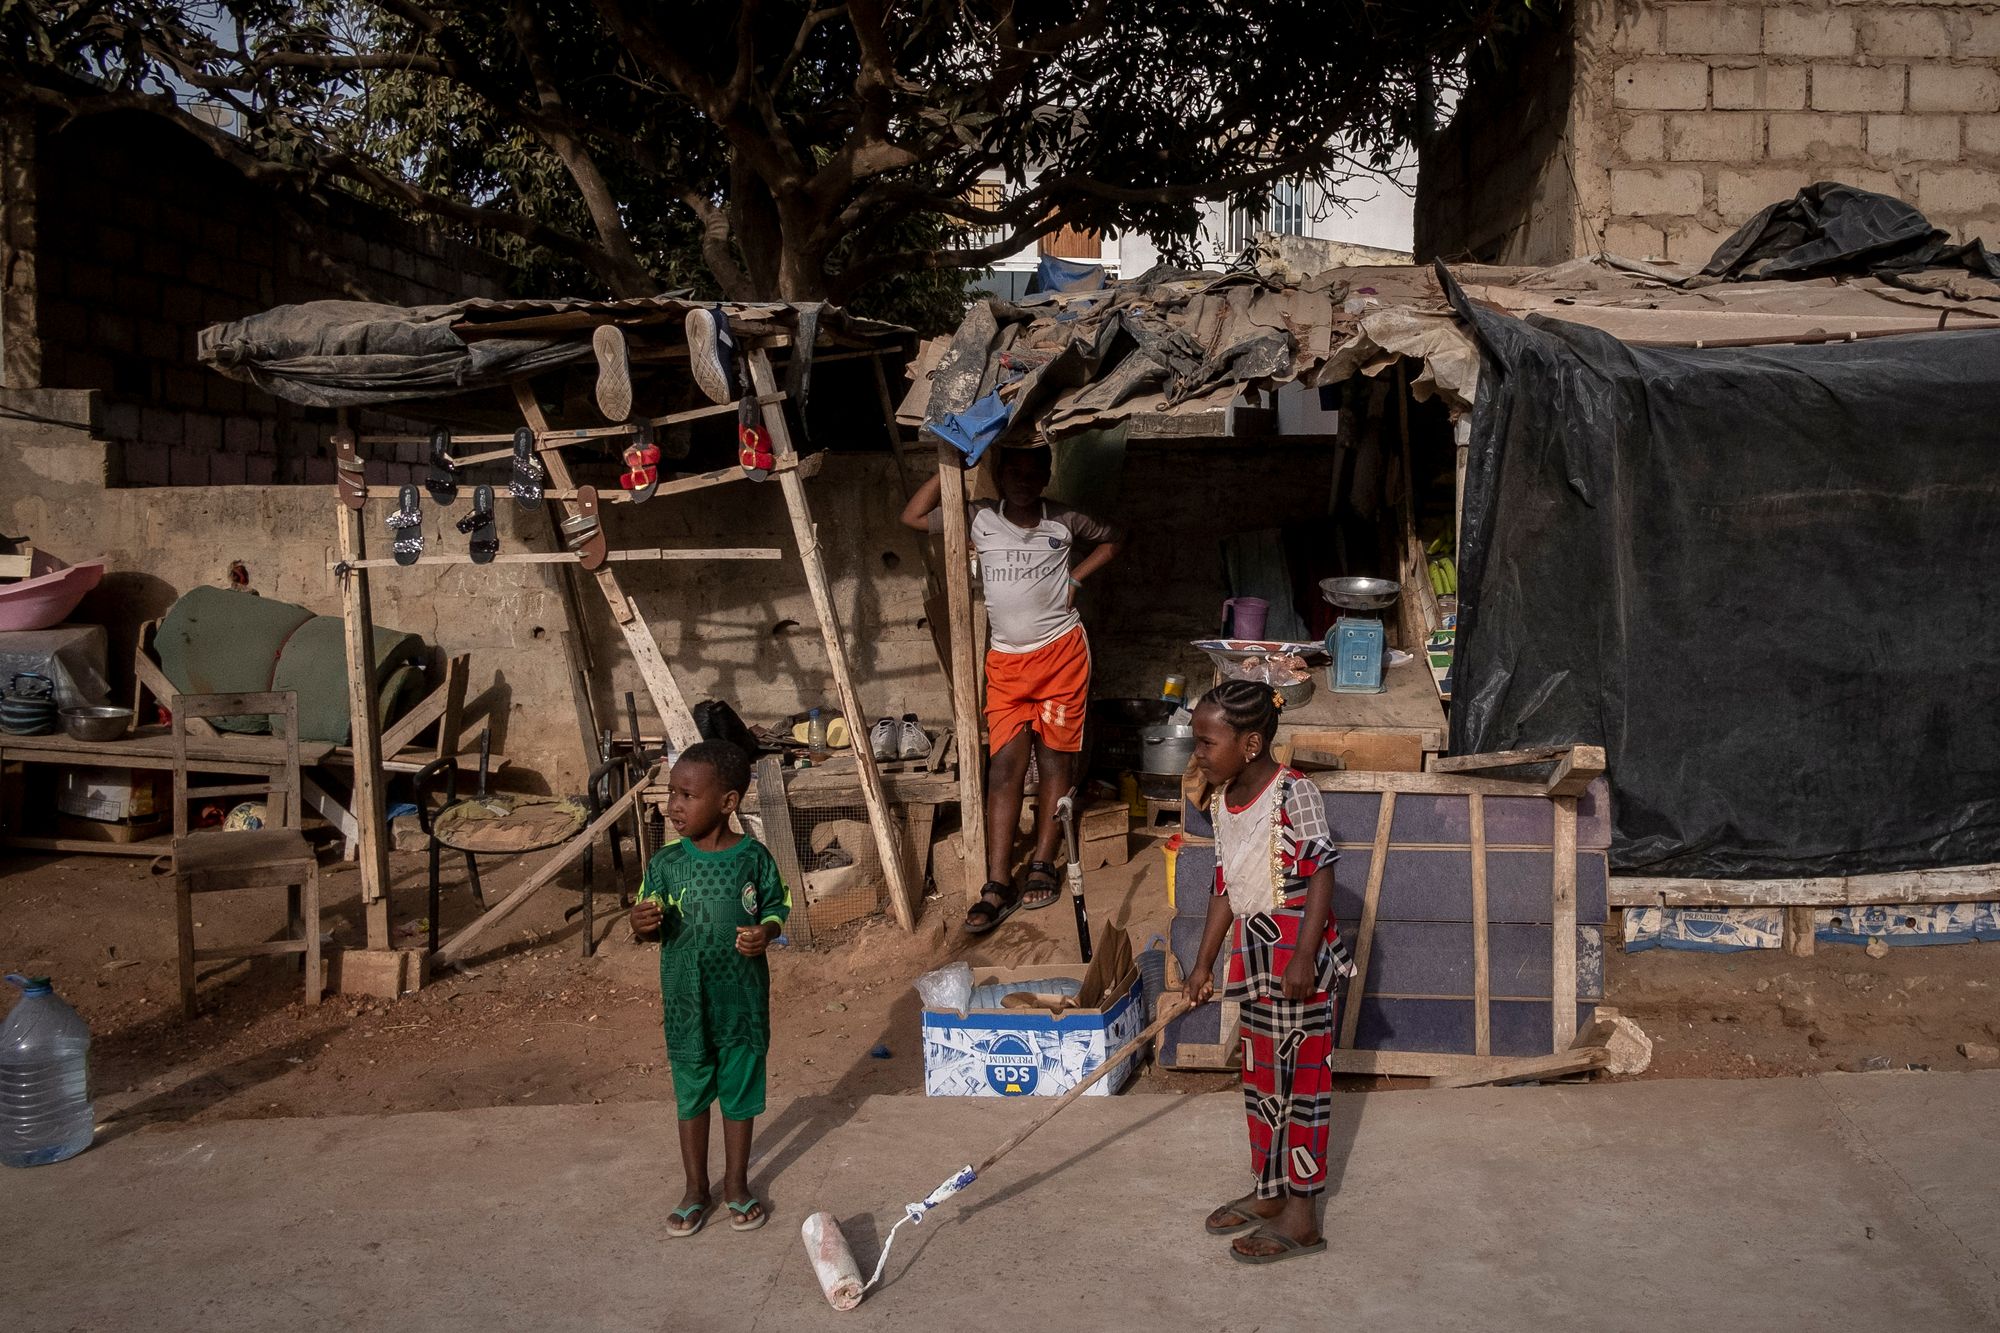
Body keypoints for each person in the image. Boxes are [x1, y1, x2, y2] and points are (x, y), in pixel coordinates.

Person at [900, 445, 1123, 934]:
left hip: (1062, 654)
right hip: (1005, 661)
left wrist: (1076, 579)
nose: (1023, 480)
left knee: (1055, 761)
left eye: (1032, 472)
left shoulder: (1064, 519)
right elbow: (913, 517)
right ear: (999, 475)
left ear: (1046, 475)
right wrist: (952, 465)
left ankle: (1042, 862)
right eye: (1013, 472)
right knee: (1004, 767)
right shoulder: (978, 517)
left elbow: (1113, 538)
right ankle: (997, 881)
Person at [1181, 680, 1354, 1264]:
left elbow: (1322, 871)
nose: (1198, 754)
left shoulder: (1295, 792)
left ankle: (1302, 1216)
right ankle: (1269, 1189)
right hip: (1253, 960)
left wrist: (1305, 956)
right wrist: (1202, 964)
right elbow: (1224, 886)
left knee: (1302, 1089)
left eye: (1207, 743)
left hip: (1298, 961)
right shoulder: (1221, 800)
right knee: (1262, 1084)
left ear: (1250, 744)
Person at [629, 740, 791, 1238]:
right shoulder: (666, 864)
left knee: (739, 1089)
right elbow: (646, 916)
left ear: (727, 802)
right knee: (692, 1091)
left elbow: (778, 906)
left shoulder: (753, 858)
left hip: (741, 1001)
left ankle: (737, 1184)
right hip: (686, 1001)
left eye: (687, 795)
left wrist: (766, 932)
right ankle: (696, 1189)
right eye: (671, 793)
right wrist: (641, 923)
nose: (673, 806)